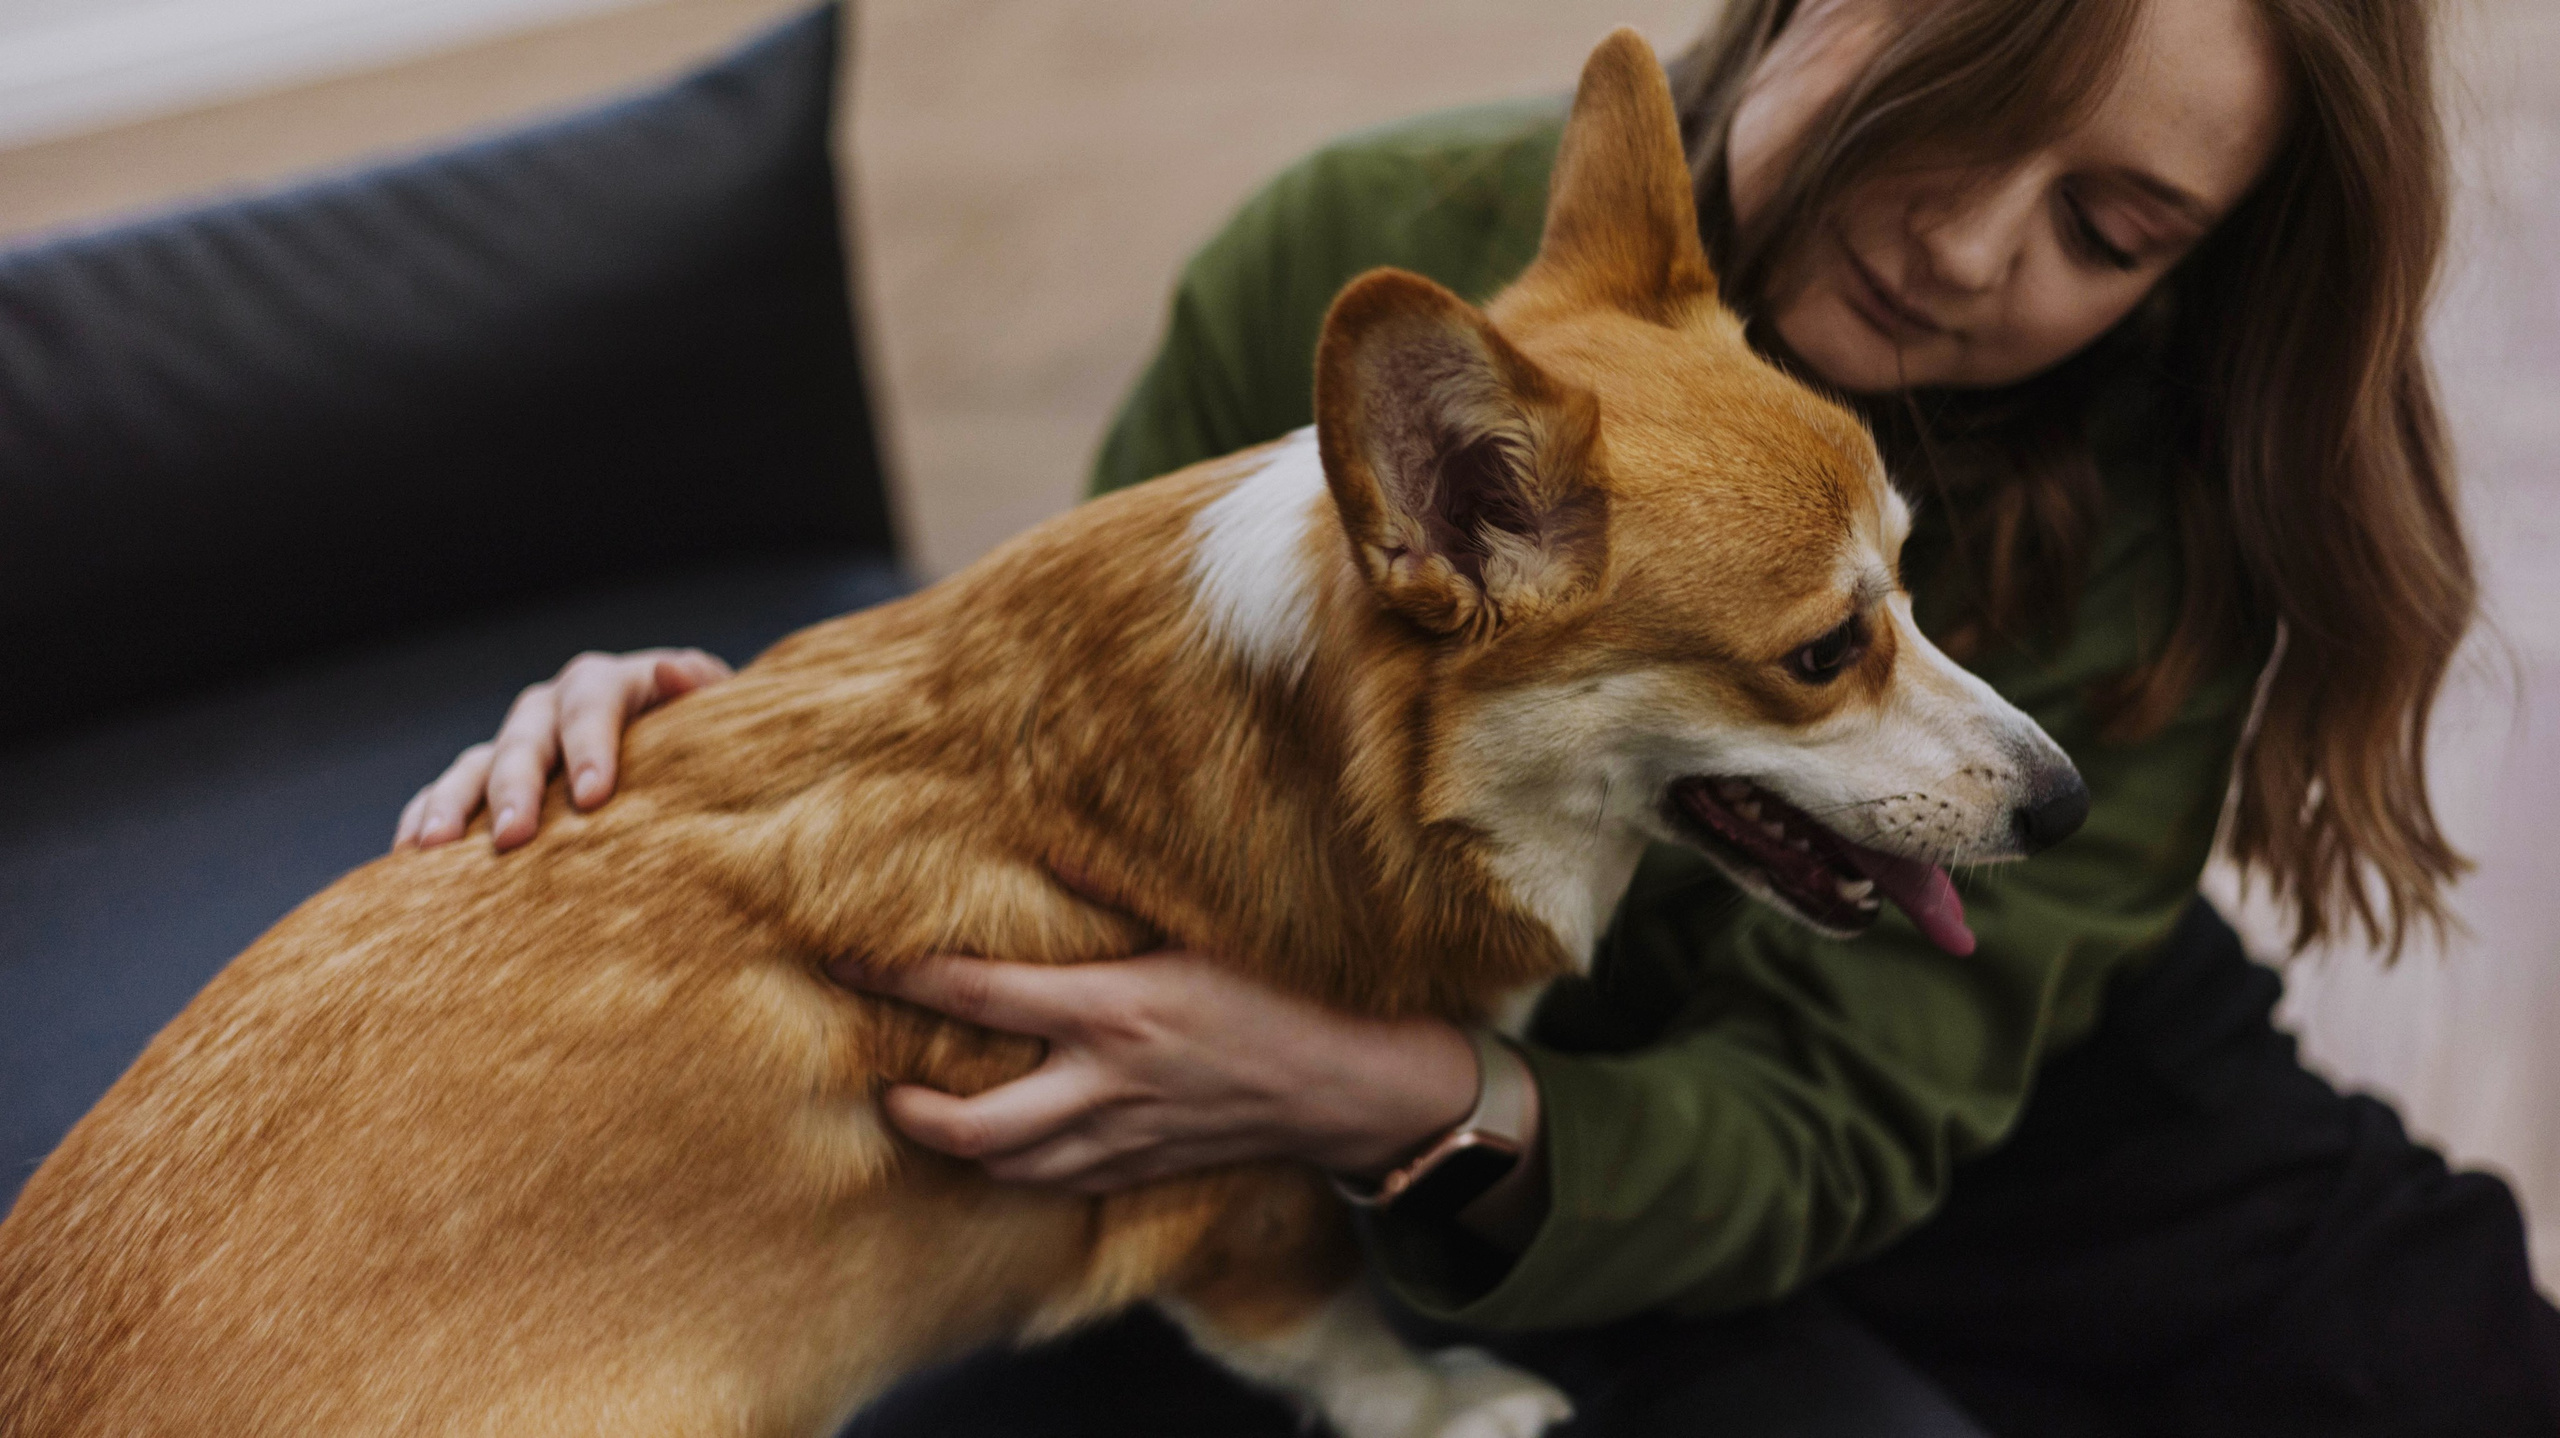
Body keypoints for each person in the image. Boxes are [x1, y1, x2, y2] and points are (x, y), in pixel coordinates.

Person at [396, 0, 2560, 1431]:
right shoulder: (1368, 255)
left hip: (1974, 1041)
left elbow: (1826, 1124)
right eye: (1958, 114)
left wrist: (1391, 1094)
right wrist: (694, 756)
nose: (1976, 252)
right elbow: (1085, 753)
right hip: (1457, 1144)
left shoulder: (2145, 518)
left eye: (2109, 225)